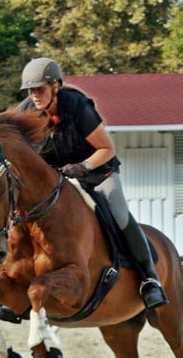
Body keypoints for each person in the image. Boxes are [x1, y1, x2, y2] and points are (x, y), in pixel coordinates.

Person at [19, 57, 168, 309]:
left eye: (40, 89)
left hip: (98, 175)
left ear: (56, 86)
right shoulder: (27, 112)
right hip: (59, 181)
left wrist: (82, 167)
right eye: (30, 90)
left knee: (119, 215)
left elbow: (106, 148)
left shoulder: (78, 107)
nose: (34, 95)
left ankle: (149, 279)